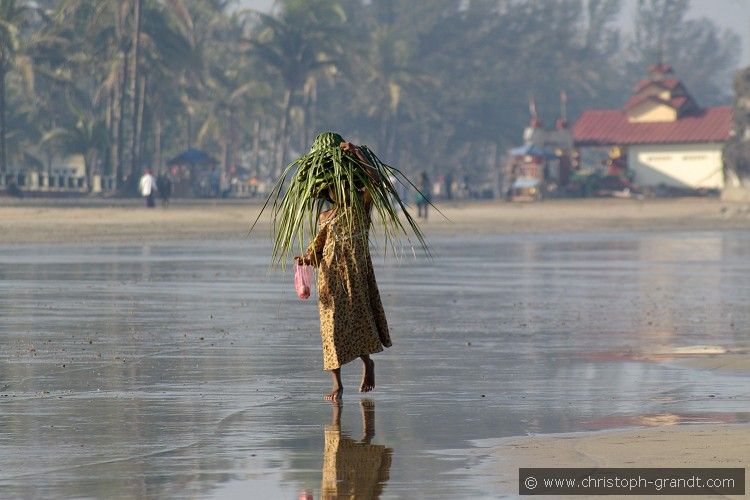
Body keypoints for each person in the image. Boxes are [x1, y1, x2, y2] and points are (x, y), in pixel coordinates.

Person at [295, 140, 392, 402]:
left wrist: (357, 154)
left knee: (359, 320)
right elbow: (318, 247)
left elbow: (376, 181)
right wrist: (306, 259)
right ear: (328, 194)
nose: (337, 193)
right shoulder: (325, 216)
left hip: (356, 273)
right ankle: (337, 384)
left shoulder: (361, 205)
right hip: (329, 276)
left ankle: (367, 364)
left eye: (341, 188)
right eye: (332, 191)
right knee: (331, 327)